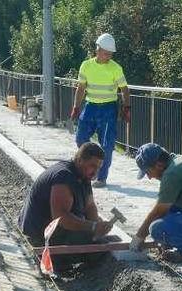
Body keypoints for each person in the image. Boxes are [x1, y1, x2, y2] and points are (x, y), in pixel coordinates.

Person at [18, 142, 115, 270]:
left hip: (51, 230)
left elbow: (90, 205)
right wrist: (92, 227)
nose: (96, 171)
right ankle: (60, 263)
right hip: (39, 237)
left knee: (107, 240)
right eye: (93, 166)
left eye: (99, 167)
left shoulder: (83, 174)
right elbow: (61, 217)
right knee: (98, 248)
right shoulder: (63, 177)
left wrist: (97, 224)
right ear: (80, 160)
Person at [69, 33, 131, 188]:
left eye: (110, 54)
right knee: (80, 139)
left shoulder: (115, 68)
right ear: (98, 49)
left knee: (107, 144)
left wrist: (126, 107)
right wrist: (76, 107)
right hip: (90, 106)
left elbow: (124, 89)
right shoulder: (86, 65)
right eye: (106, 53)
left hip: (109, 108)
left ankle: (101, 177)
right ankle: (85, 168)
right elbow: (81, 87)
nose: (108, 56)